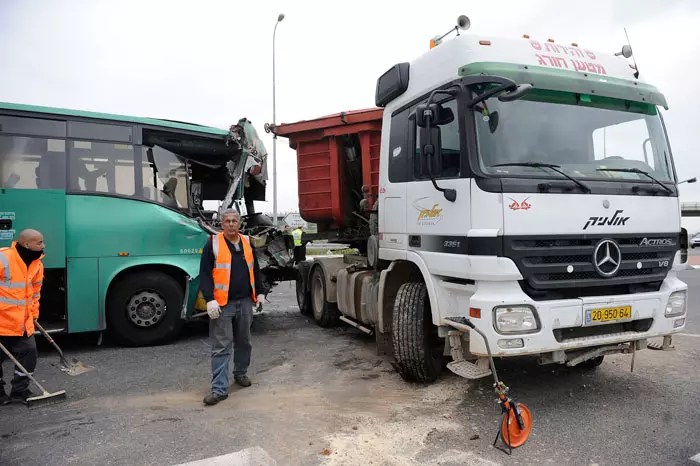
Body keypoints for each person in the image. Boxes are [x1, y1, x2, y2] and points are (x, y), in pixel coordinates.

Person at [199, 209, 268, 406]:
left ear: (239, 224)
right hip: (223, 304)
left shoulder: (247, 242)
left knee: (244, 341)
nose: (231, 224)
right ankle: (219, 389)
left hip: (245, 301)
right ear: (222, 224)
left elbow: (255, 269)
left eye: (234, 221)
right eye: (227, 221)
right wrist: (209, 299)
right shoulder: (213, 243)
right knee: (221, 346)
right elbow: (204, 274)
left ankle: (240, 373)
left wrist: (261, 292)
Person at [0, 229, 44, 405]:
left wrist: (33, 315)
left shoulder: (37, 264)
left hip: (22, 323)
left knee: (29, 352)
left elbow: (34, 294)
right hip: (2, 321)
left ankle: (20, 390)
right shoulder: (4, 257)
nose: (43, 246)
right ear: (26, 244)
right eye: (39, 242)